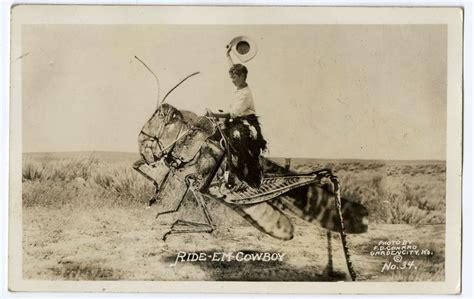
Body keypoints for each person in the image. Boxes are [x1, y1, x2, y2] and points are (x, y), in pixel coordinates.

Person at [206, 46, 267, 189]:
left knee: (236, 139)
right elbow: (233, 68)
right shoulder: (240, 84)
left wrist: (213, 114)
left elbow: (232, 113)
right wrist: (227, 55)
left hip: (247, 124)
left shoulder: (245, 94)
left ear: (242, 77)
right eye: (231, 77)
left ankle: (241, 173)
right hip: (237, 120)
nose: (232, 80)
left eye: (234, 77)